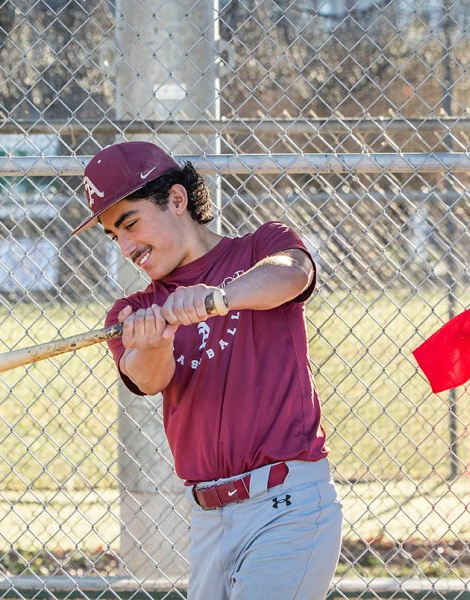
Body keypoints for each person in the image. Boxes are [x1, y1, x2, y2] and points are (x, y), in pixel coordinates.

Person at [72, 141, 342, 600]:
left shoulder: (261, 246)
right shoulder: (133, 311)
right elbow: (146, 378)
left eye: (131, 224)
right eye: (113, 235)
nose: (126, 246)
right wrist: (154, 341)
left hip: (286, 505)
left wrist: (217, 297)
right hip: (208, 521)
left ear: (177, 200)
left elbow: (293, 274)